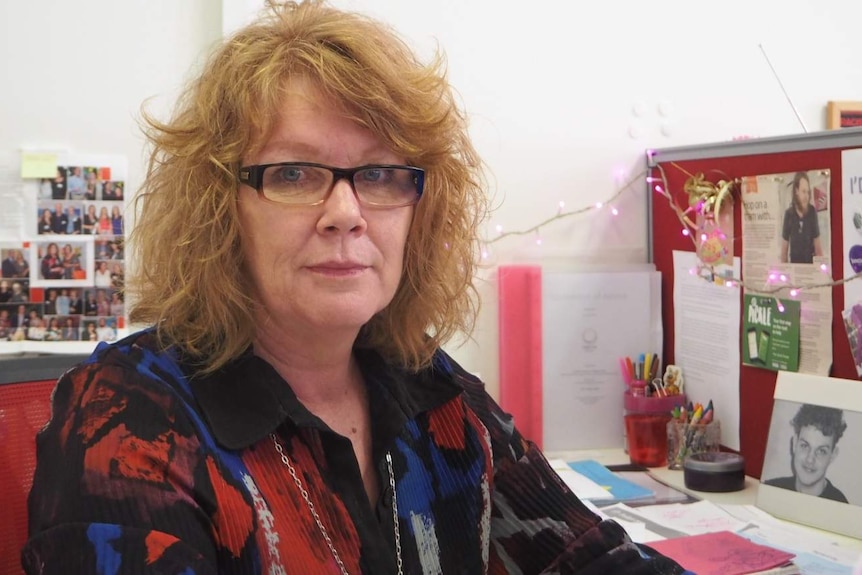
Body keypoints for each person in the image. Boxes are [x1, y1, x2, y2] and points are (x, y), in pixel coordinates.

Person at [23, 3, 685, 574]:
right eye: (293, 174)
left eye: (380, 174)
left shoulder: (433, 391)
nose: (346, 211)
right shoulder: (126, 420)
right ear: (220, 210)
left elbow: (592, 557)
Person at [764, 403, 848, 502]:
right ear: (795, 443)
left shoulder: (841, 506)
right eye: (805, 446)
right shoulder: (770, 489)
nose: (810, 459)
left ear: (833, 455)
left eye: (821, 451)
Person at [780, 171, 824, 264]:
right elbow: (784, 252)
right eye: (803, 192)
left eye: (808, 192)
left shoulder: (812, 212)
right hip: (795, 270)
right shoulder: (789, 214)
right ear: (796, 191)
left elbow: (818, 249)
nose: (807, 196)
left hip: (810, 270)